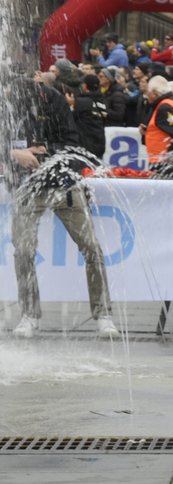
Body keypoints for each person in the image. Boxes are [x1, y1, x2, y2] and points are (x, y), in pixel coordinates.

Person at [7, 74, 117, 338]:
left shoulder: (51, 98)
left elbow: (71, 142)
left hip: (63, 184)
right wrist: (14, 153)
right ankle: (29, 314)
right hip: (25, 188)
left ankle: (103, 314)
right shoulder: (6, 101)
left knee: (91, 246)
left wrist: (42, 150)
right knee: (23, 251)